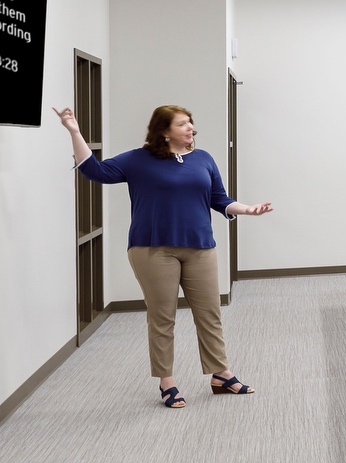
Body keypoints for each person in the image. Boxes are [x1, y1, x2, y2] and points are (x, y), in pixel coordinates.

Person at [55, 105, 272, 409]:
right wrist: (75, 132)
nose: (191, 129)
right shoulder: (138, 159)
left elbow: (218, 199)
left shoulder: (203, 159)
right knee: (162, 317)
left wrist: (247, 209)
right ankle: (167, 382)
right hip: (153, 249)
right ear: (164, 131)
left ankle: (221, 374)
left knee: (210, 313)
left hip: (200, 247)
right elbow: (95, 171)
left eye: (191, 123)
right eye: (183, 124)